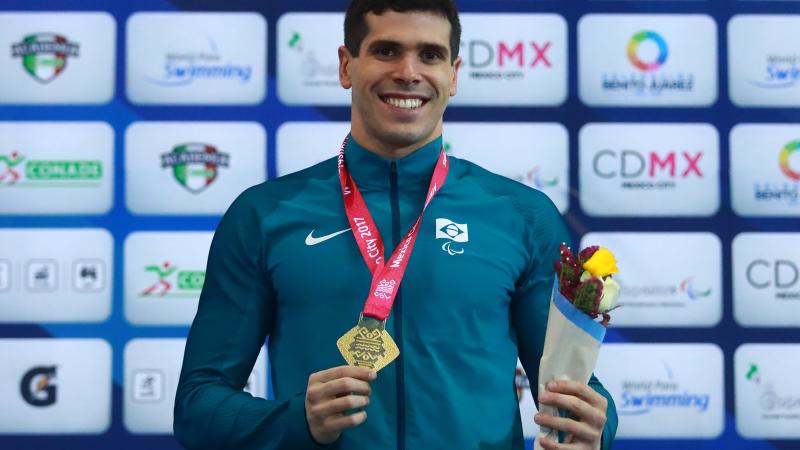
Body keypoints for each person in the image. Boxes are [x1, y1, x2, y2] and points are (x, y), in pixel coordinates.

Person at [173, 1, 618, 449]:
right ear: (347, 65)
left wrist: (598, 425)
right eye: (386, 51)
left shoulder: (522, 215)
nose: (408, 72)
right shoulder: (264, 215)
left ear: (454, 73)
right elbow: (197, 407)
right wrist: (295, 421)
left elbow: (571, 386)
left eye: (430, 55)